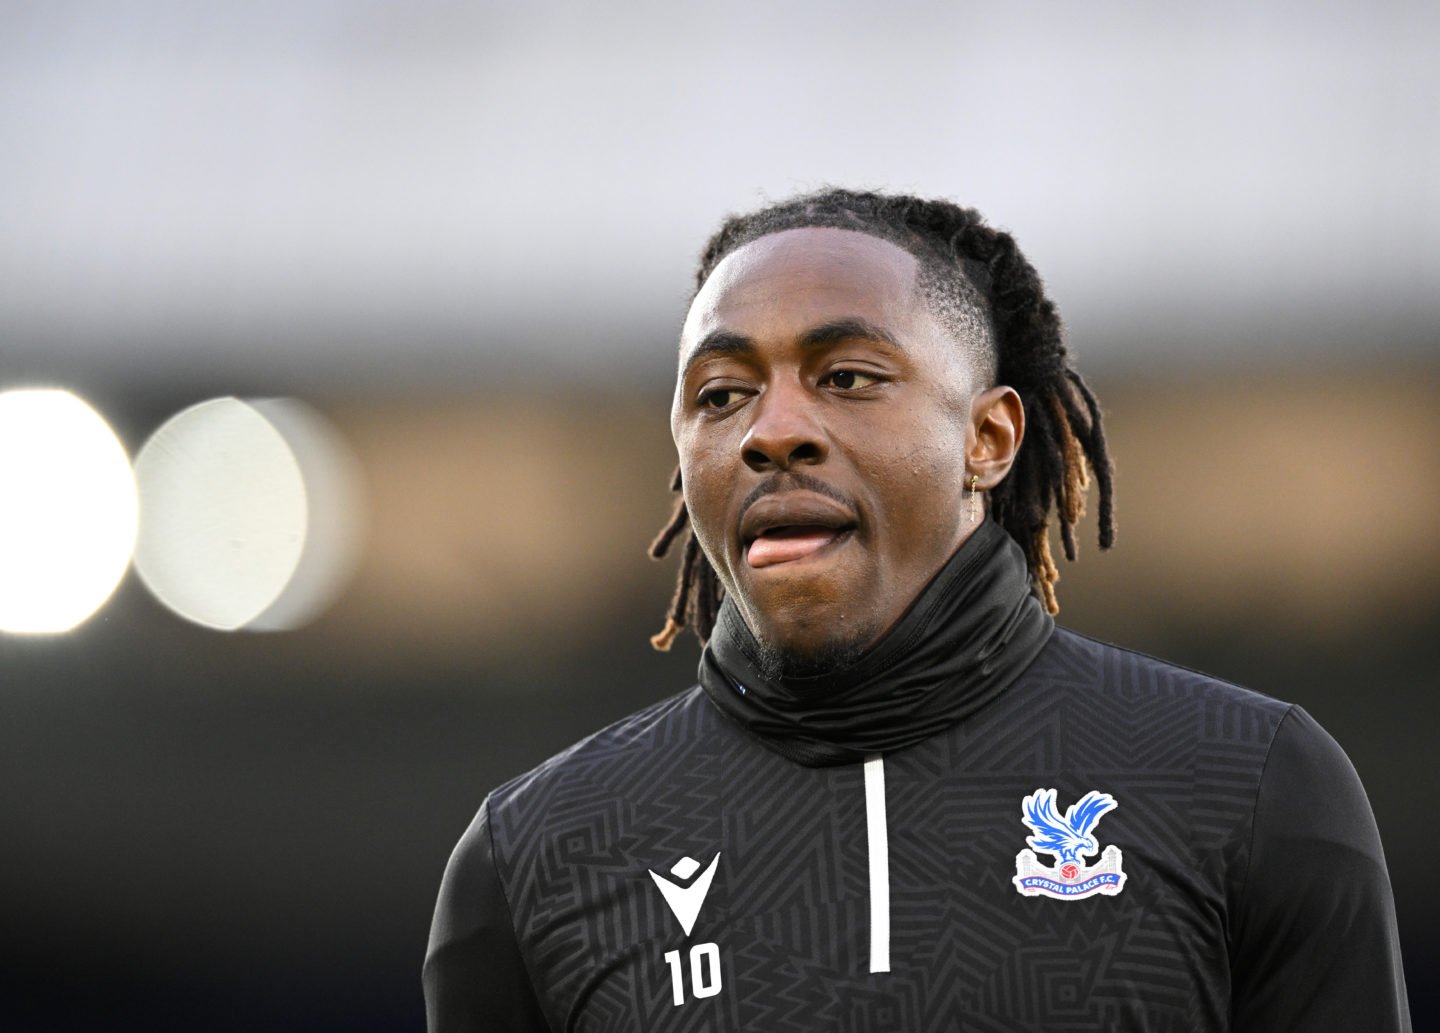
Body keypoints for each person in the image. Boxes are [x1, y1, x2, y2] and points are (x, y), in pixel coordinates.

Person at [422, 188, 1410, 1031]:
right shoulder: (537, 857)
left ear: (988, 437)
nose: (773, 433)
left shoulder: (1247, 787)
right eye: (721, 395)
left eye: (847, 378)